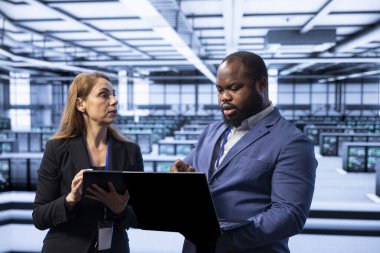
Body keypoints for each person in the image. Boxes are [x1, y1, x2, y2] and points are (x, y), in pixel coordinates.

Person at [170, 51, 318, 253]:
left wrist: (219, 237)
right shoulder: (211, 131)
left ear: (261, 85)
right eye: (219, 90)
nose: (224, 97)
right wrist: (176, 179)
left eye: (234, 88)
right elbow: (189, 173)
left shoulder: (292, 142)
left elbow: (289, 215)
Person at [32, 72, 144, 253]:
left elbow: (140, 217)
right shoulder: (57, 148)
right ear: (80, 104)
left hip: (113, 248)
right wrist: (70, 200)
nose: (114, 101)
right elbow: (39, 217)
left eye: (114, 94)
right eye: (104, 95)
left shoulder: (130, 151)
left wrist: (121, 210)